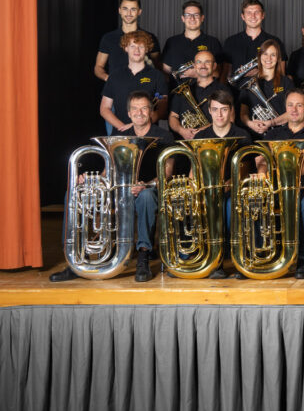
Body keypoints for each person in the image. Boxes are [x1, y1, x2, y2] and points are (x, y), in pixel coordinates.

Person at [52, 92, 175, 283]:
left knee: (146, 198)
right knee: (76, 193)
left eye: (144, 108)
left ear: (151, 111)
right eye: (135, 108)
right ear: (128, 112)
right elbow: (107, 170)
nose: (139, 112)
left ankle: (143, 256)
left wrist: (146, 184)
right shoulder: (120, 135)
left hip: (149, 189)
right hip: (121, 189)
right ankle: (77, 259)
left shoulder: (164, 136)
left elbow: (167, 173)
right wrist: (89, 180)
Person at [259, 89, 304, 279]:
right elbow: (260, 162)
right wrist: (263, 174)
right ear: (285, 109)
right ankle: (264, 255)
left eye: (299, 105)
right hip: (277, 187)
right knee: (255, 201)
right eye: (290, 105)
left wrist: (275, 159)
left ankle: (303, 259)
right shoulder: (273, 135)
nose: (294, 110)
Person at [193, 89, 253, 279]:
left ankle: (240, 262)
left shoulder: (243, 136)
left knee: (231, 208)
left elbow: (248, 168)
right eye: (215, 109)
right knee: (205, 207)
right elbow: (194, 170)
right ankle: (215, 263)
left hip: (234, 191)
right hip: (208, 191)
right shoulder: (200, 138)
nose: (219, 114)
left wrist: (232, 182)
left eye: (224, 110)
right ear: (209, 111)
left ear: (231, 111)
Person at [100, 31, 169, 133]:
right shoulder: (115, 76)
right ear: (126, 48)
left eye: (141, 47)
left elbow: (162, 111)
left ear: (146, 49)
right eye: (132, 46)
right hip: (121, 133)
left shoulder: (157, 76)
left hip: (148, 134)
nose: (136, 50)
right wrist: (124, 127)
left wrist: (140, 126)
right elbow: (105, 108)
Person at [94, 0, 160, 81]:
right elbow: (98, 67)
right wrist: (109, 79)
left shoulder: (150, 37)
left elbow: (158, 68)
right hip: (116, 90)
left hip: (142, 90)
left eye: (133, 9)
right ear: (119, 10)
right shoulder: (108, 38)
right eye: (125, 9)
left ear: (139, 12)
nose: (129, 13)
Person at [222, 0, 287, 84]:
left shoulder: (275, 42)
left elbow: (281, 74)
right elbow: (225, 74)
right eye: (249, 12)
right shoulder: (230, 41)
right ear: (243, 16)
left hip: (266, 93)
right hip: (236, 94)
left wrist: (261, 72)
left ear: (263, 15)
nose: (253, 16)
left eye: (257, 12)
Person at [169, 50, 228, 140]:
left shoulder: (224, 90)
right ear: (195, 66)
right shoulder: (183, 89)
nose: (203, 66)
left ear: (214, 66)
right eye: (199, 62)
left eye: (207, 62)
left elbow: (230, 120)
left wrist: (201, 131)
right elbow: (173, 116)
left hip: (214, 141)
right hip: (186, 142)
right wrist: (181, 131)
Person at [239, 39, 293, 136]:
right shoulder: (249, 83)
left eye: (273, 55)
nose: (269, 58)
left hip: (280, 135)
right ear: (259, 57)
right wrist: (250, 124)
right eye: (265, 54)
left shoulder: (286, 82)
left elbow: (292, 112)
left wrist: (271, 123)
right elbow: (243, 114)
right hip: (254, 135)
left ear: (277, 59)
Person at [161, 0, 223, 82]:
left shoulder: (213, 42)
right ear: (183, 18)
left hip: (205, 93)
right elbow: (165, 72)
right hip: (177, 93)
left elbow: (217, 73)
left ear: (202, 18)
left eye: (196, 15)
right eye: (188, 15)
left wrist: (197, 74)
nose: (192, 18)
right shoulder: (171, 42)